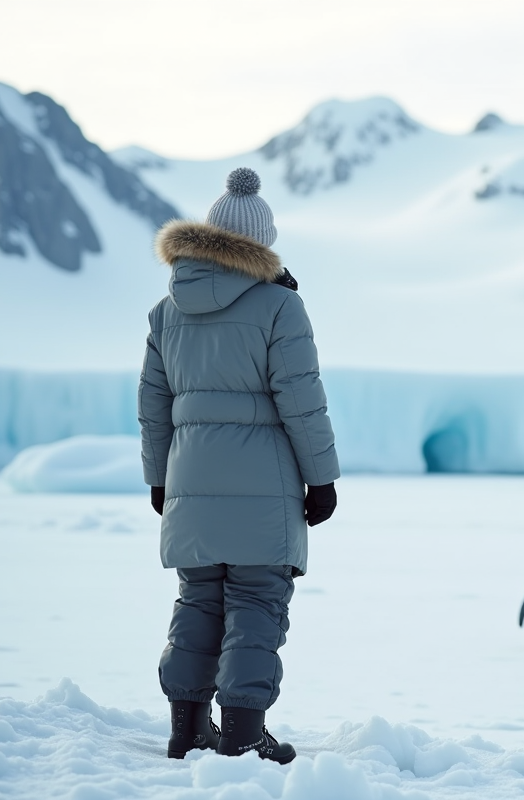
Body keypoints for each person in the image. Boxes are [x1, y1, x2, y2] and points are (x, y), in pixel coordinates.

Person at [138, 167, 340, 763]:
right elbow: (301, 398)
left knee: (198, 600)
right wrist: (321, 478)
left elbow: (154, 406)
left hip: (190, 482)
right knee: (256, 604)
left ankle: (187, 729)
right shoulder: (280, 306)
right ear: (262, 242)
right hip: (265, 485)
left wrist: (159, 477)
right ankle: (245, 735)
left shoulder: (165, 311)